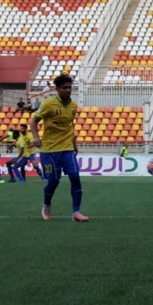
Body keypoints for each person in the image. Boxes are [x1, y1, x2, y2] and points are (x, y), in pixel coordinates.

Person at [30, 74, 88, 222]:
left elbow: (70, 125)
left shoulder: (74, 106)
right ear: (57, 89)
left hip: (67, 149)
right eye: (64, 88)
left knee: (75, 177)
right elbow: (34, 121)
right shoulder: (48, 104)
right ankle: (46, 204)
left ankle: (76, 212)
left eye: (70, 87)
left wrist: (74, 143)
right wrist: (36, 137)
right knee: (53, 182)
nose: (68, 90)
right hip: (49, 151)